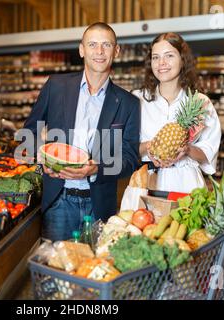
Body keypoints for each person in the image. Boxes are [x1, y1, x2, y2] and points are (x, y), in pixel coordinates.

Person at [23, 22, 140, 241]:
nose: (99, 51)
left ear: (116, 51)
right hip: (59, 201)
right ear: (81, 49)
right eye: (92, 44)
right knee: (55, 269)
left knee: (94, 272)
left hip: (99, 207)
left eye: (106, 45)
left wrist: (96, 169)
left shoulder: (128, 103)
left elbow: (130, 159)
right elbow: (29, 133)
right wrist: (42, 158)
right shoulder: (56, 86)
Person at [133, 32, 221, 193]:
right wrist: (149, 147)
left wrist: (187, 149)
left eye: (169, 56)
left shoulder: (200, 102)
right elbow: (126, 147)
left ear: (182, 60)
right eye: (155, 57)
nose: (161, 63)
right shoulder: (137, 99)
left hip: (187, 185)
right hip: (147, 182)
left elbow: (209, 150)